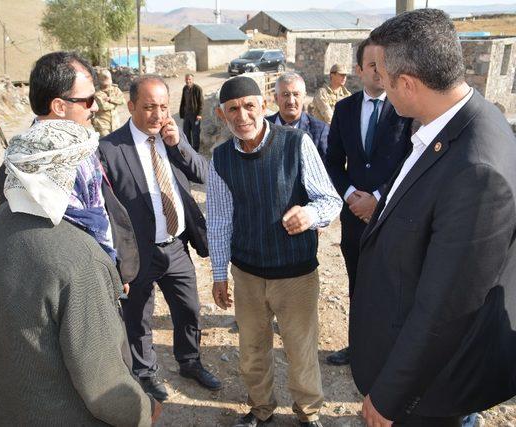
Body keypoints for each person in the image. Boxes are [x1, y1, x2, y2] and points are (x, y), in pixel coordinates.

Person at [0, 51, 161, 426]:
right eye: (86, 101)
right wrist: (144, 412)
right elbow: (102, 383)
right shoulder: (77, 260)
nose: (93, 108)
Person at [350, 9, 516, 427]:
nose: (382, 88)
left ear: (407, 83)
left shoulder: (477, 168)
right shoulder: (457, 120)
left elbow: (446, 307)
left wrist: (389, 396)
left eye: (384, 79)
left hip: (427, 393)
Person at [208, 76, 342, 427]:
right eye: (232, 109)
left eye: (249, 106)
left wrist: (310, 214)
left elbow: (330, 199)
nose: (242, 116)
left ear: (264, 105)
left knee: (300, 353)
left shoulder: (296, 143)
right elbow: (220, 219)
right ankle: (261, 409)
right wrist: (220, 273)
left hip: (295, 274)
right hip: (248, 275)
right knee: (252, 352)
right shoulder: (220, 158)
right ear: (223, 116)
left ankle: (308, 413)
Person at [99, 75, 221, 403]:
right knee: (138, 316)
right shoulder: (109, 149)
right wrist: (114, 260)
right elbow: (104, 209)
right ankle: (145, 372)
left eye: (163, 107)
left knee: (189, 308)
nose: (157, 114)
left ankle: (189, 361)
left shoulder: (172, 139)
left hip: (177, 246)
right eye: (149, 107)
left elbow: (204, 174)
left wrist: (178, 143)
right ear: (131, 106)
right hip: (137, 253)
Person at [324, 38, 413, 367]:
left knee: (393, 286)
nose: (380, 71)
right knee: (358, 283)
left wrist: (377, 198)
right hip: (353, 219)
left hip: (392, 215)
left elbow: (410, 163)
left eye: (385, 64)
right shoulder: (344, 109)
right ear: (359, 70)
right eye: (373, 65)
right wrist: (350, 196)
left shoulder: (406, 110)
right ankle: (357, 346)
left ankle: (390, 351)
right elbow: (333, 161)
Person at [266, 72, 329, 162]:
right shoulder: (263, 127)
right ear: (276, 98)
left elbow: (327, 169)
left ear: (304, 97)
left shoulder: (319, 130)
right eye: (285, 94)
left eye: (296, 94)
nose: (291, 101)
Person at [92, 69, 125, 137]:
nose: (107, 85)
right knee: (105, 143)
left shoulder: (115, 89)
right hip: (102, 123)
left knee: (115, 142)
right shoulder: (97, 93)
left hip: (115, 123)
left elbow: (122, 101)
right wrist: (116, 103)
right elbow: (104, 106)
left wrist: (110, 99)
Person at [178, 73, 203, 152]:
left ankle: (196, 150)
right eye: (186, 79)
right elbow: (183, 101)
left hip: (195, 115)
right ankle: (188, 149)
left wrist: (199, 114)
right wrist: (182, 112)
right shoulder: (185, 88)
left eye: (189, 79)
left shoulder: (197, 89)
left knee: (195, 133)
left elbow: (201, 102)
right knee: (186, 132)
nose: (188, 81)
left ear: (192, 80)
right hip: (187, 115)